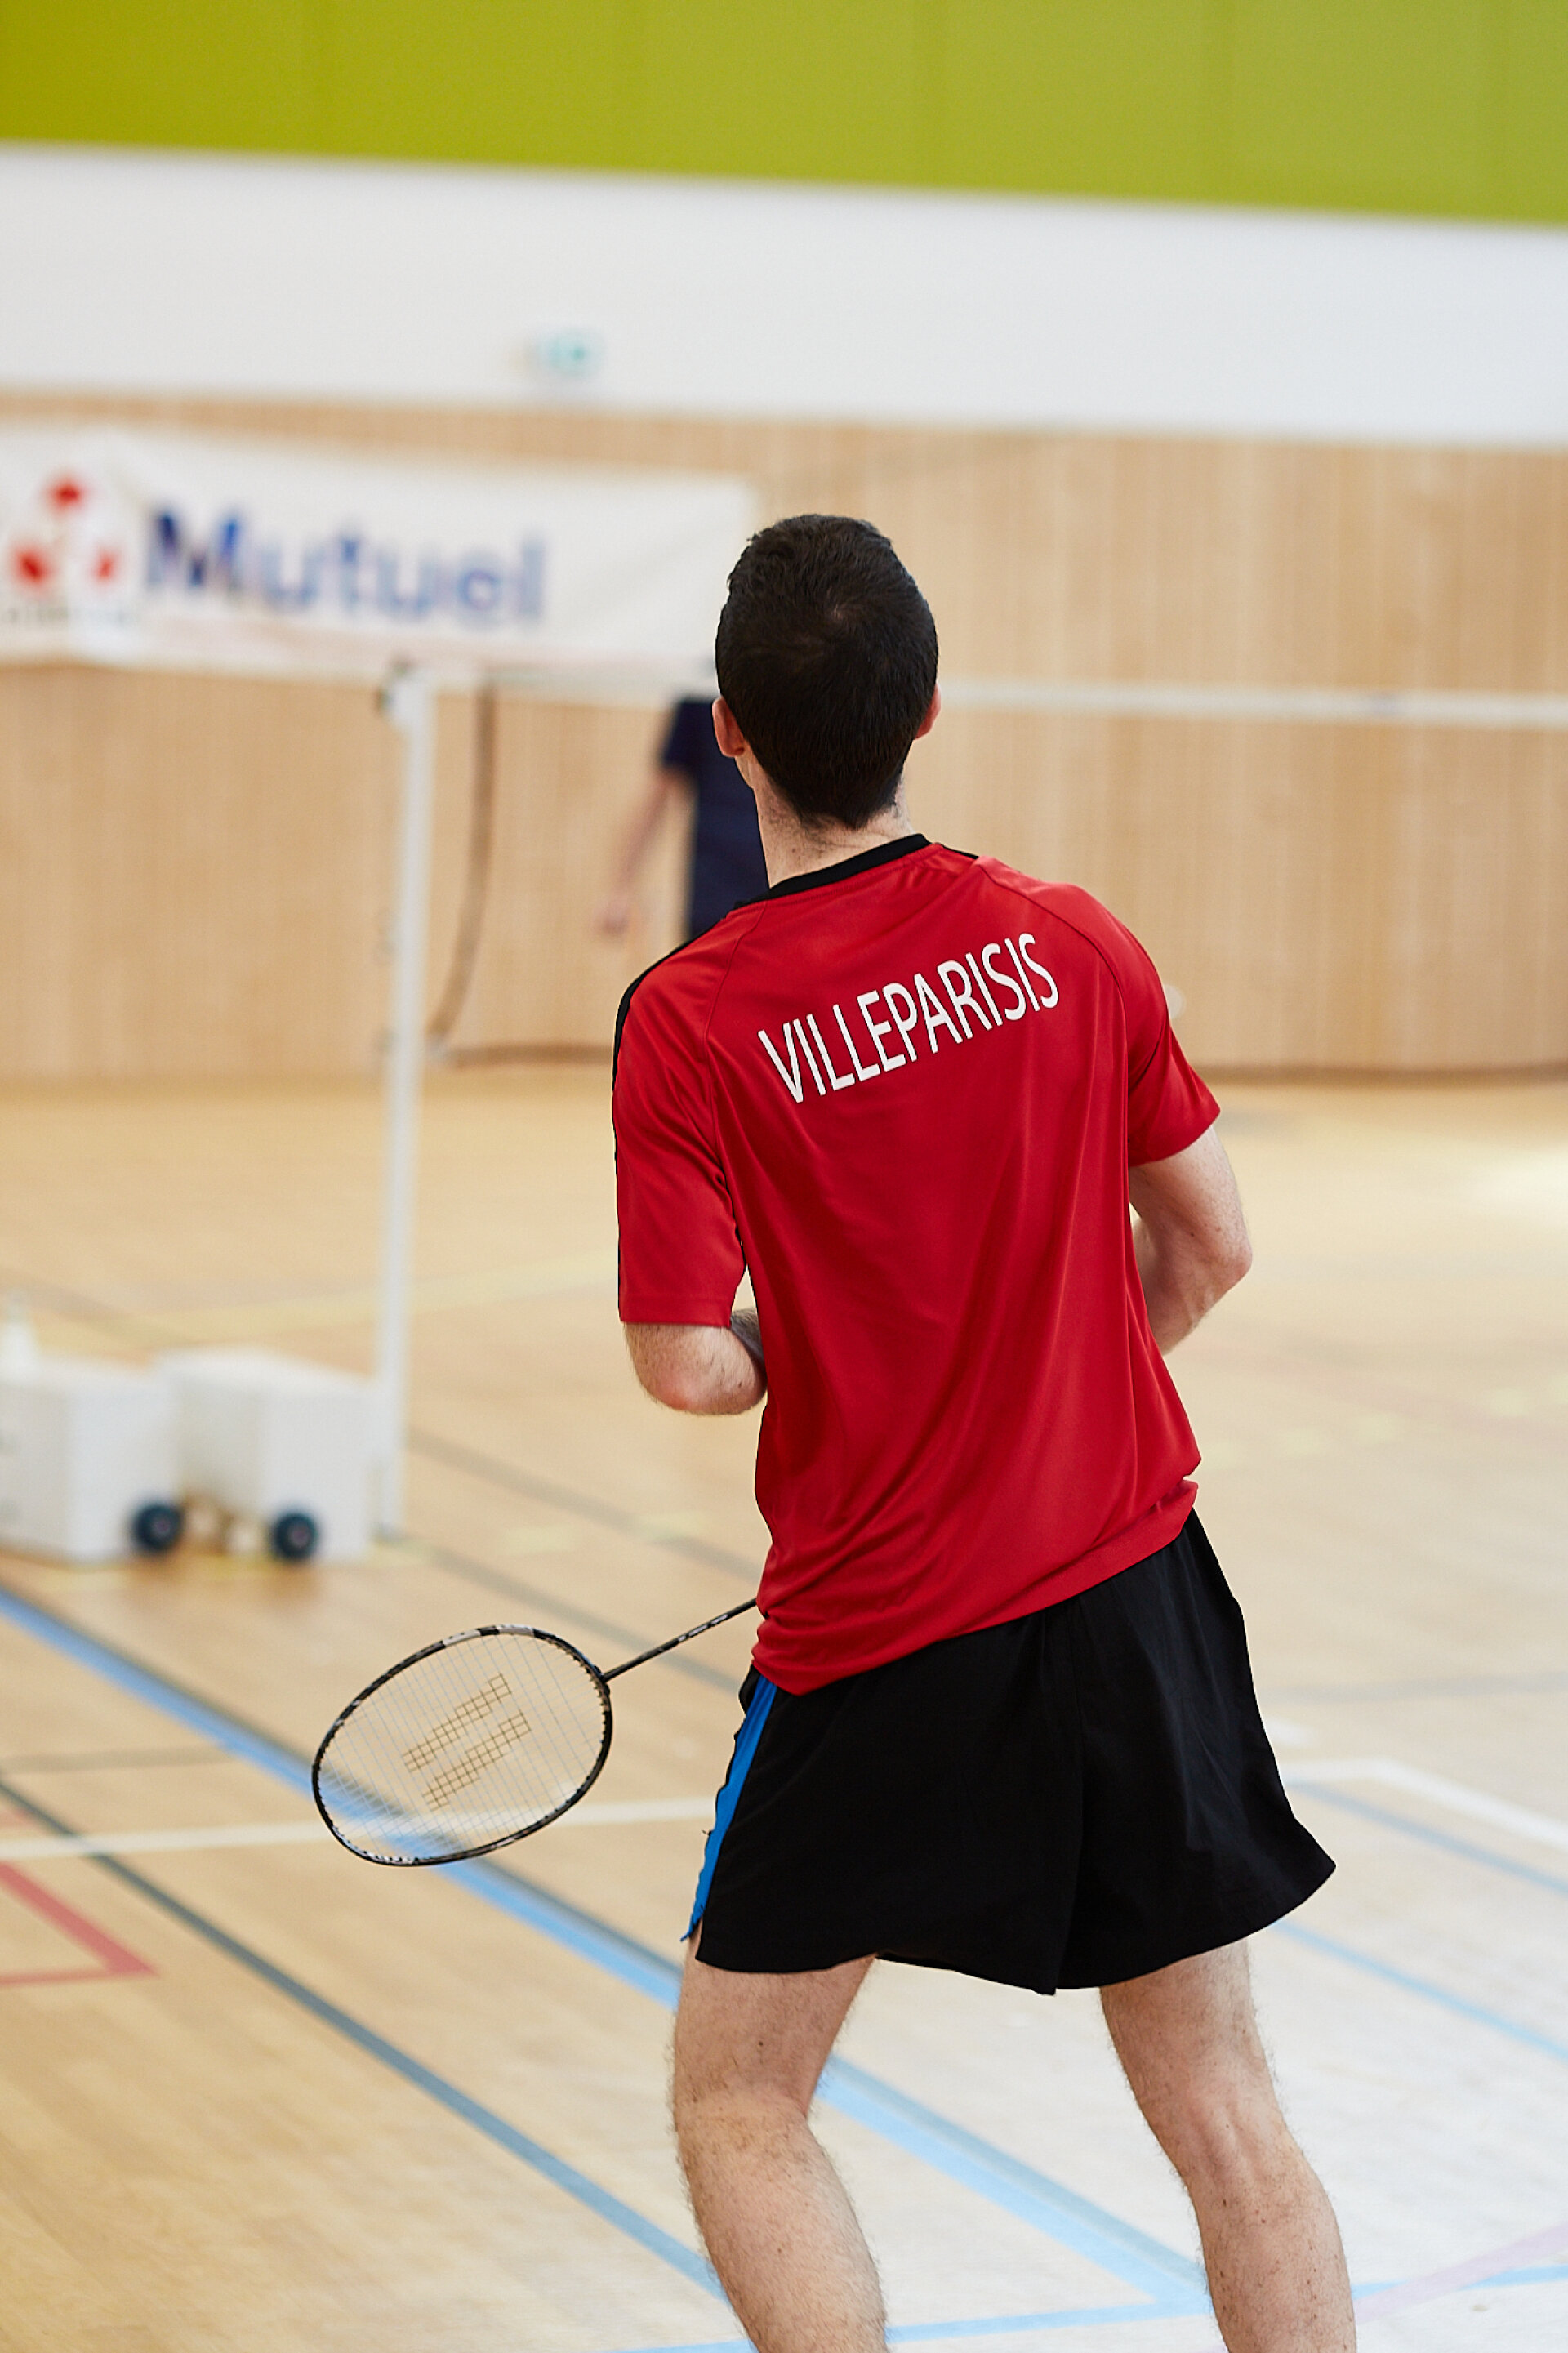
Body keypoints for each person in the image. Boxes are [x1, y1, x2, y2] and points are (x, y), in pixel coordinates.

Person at [612, 515, 1354, 2353]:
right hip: (1133, 1601)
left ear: (730, 730)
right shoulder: (1068, 940)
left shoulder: (691, 1020)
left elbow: (688, 1368)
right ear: (928, 711)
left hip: (877, 1647)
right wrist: (1048, 1383)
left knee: (743, 2099)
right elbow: (1214, 1244)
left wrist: (832, 1366)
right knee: (1225, 2107)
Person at [597, 693, 768, 943]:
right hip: (715, 897)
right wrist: (621, 887)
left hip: (780, 895)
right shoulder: (699, 695)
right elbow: (659, 791)